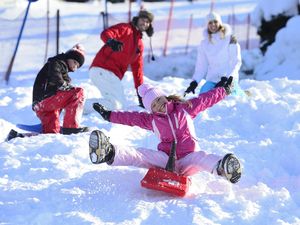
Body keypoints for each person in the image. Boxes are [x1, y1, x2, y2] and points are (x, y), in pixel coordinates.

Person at [88, 79, 242, 184]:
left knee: (201, 158)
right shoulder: (151, 120)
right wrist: (109, 115)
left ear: (165, 97)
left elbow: (205, 99)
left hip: (189, 157)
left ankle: (225, 168)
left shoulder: (185, 108)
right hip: (166, 159)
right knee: (141, 155)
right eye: (154, 104)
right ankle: (108, 152)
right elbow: (131, 118)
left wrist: (224, 90)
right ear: (151, 109)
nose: (159, 104)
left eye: (159, 99)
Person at [87, 9, 154, 112]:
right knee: (116, 106)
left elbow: (138, 71)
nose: (144, 23)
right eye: (143, 20)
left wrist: (141, 94)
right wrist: (110, 41)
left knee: (118, 106)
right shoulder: (126, 28)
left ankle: (78, 104)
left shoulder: (139, 44)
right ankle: (75, 104)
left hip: (111, 75)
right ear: (137, 19)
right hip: (102, 69)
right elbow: (106, 33)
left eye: (147, 22)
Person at [185, 12, 245, 97]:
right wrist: (194, 82)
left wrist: (229, 77)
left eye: (215, 21)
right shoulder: (204, 44)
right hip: (212, 79)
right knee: (203, 96)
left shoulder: (230, 39)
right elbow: (202, 65)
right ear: (207, 25)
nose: (213, 24)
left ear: (220, 23)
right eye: (210, 22)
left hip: (228, 79)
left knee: (229, 97)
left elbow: (236, 61)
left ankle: (243, 94)